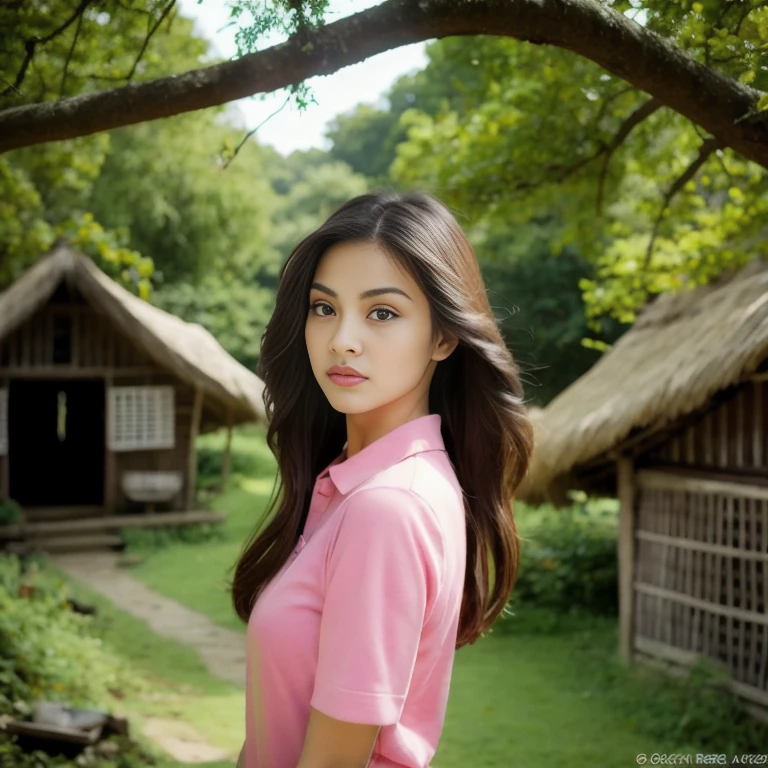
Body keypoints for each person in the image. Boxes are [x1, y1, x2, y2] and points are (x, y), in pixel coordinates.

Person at [228, 190, 534, 768]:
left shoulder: (388, 508)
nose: (343, 337)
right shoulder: (355, 486)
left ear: (443, 337)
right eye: (324, 308)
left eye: (382, 313)